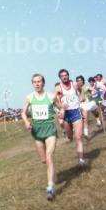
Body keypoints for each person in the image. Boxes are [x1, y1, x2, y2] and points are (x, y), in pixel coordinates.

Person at [22, 73, 59, 201]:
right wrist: (27, 122)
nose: (37, 84)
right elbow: (23, 113)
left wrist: (62, 113)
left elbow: (60, 108)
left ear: (43, 83)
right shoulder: (29, 97)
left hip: (49, 129)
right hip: (37, 131)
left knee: (49, 157)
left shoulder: (51, 96)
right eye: (34, 82)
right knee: (44, 160)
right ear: (32, 84)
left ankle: (50, 187)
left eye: (39, 81)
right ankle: (53, 174)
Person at [55, 69, 87, 169]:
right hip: (66, 114)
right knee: (70, 137)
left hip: (76, 112)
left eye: (66, 75)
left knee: (78, 137)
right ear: (60, 78)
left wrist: (81, 97)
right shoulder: (58, 87)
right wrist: (61, 106)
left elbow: (81, 90)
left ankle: (81, 160)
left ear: (68, 76)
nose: (64, 77)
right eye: (62, 76)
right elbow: (55, 101)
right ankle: (68, 135)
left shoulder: (74, 84)